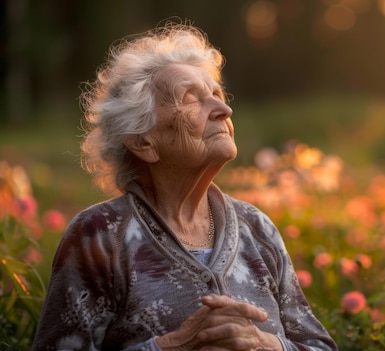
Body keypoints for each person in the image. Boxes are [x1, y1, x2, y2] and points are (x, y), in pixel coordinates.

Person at [32, 22, 337, 351]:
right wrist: (173, 346)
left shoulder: (257, 228)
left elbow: (319, 346)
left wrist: (268, 346)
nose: (224, 110)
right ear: (142, 141)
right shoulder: (100, 236)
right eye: (191, 100)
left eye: (217, 96)